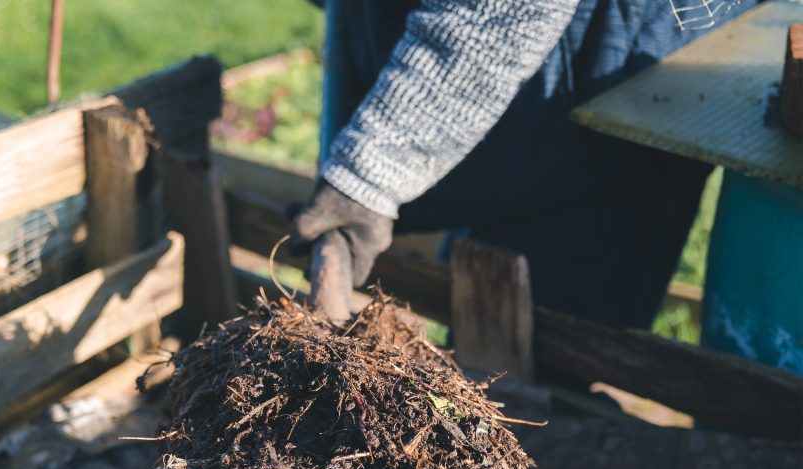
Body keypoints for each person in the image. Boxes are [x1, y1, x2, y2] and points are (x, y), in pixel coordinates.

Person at [292, 0, 759, 326]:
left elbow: (506, 12)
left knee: (557, 317)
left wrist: (368, 174)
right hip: (512, 54)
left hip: (622, 56)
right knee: (486, 296)